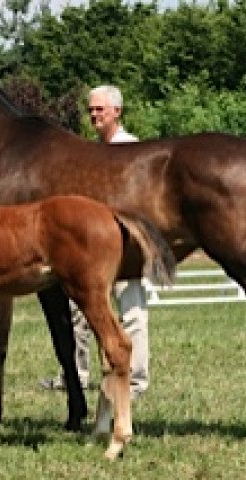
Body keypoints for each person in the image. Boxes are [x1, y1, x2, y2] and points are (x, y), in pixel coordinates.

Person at [41, 85, 149, 400]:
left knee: (131, 309)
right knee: (80, 313)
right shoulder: (90, 153)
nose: (93, 116)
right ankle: (77, 373)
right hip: (91, 249)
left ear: (117, 111)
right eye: (90, 110)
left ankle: (135, 380)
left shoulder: (133, 151)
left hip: (126, 243)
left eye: (99, 110)